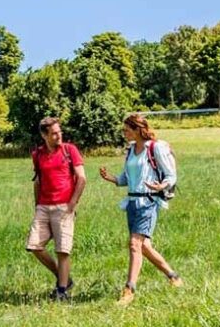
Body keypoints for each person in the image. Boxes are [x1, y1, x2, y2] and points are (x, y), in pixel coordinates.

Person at [98, 113, 183, 306]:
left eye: (127, 130)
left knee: (135, 244)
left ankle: (129, 289)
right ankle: (173, 276)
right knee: (144, 247)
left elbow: (171, 176)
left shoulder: (155, 148)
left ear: (137, 129)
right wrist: (110, 178)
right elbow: (127, 179)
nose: (124, 133)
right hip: (132, 204)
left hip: (148, 202)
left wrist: (161, 186)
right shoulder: (130, 151)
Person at [26, 117, 87, 301]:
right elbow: (37, 181)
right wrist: (37, 206)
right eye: (54, 133)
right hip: (43, 206)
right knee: (34, 245)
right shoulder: (37, 154)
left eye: (59, 131)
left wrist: (72, 204)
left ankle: (62, 291)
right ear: (44, 135)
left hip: (64, 207)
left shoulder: (70, 150)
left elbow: (82, 178)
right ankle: (65, 278)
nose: (58, 135)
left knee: (62, 250)